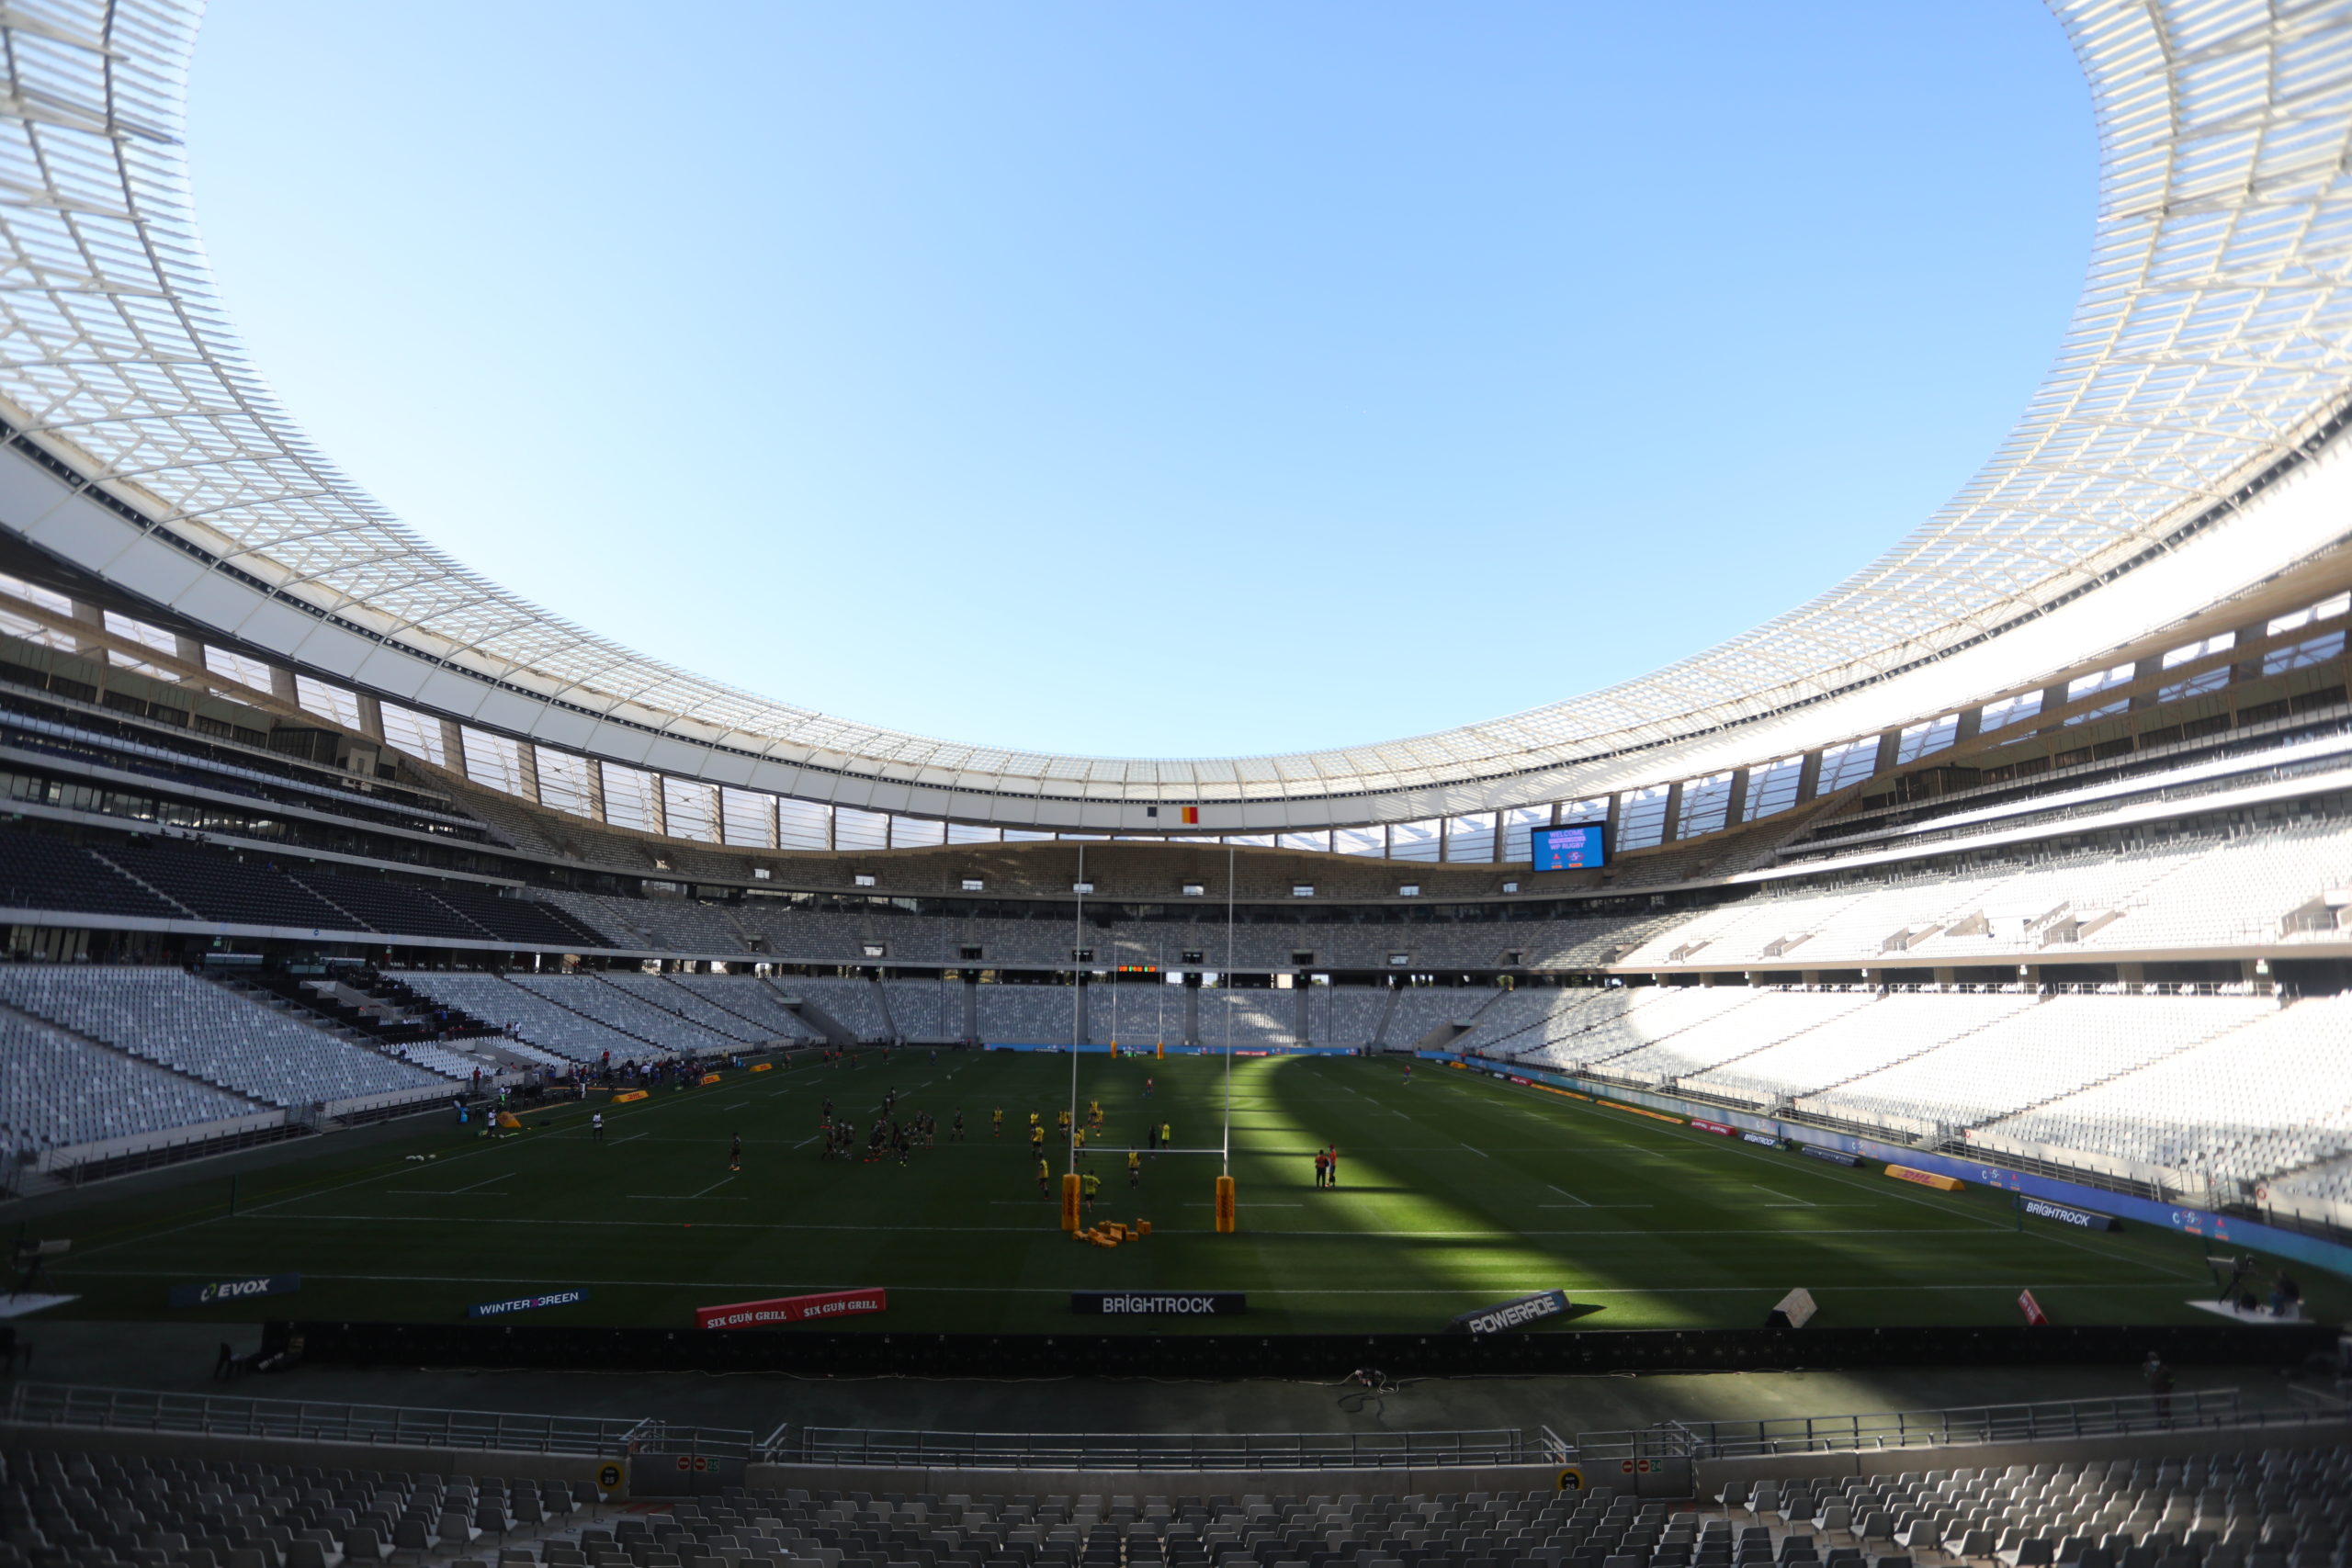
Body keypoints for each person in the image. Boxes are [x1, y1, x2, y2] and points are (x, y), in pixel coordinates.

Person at [2143, 1350, 2175, 1418]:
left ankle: (2165, 1419)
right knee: (2157, 1405)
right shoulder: (2147, 1367)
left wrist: (2169, 1388)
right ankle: (2160, 1419)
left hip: (2164, 1390)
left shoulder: (2165, 1369)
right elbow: (2146, 1375)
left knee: (2164, 1405)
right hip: (2154, 1390)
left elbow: (2171, 1379)